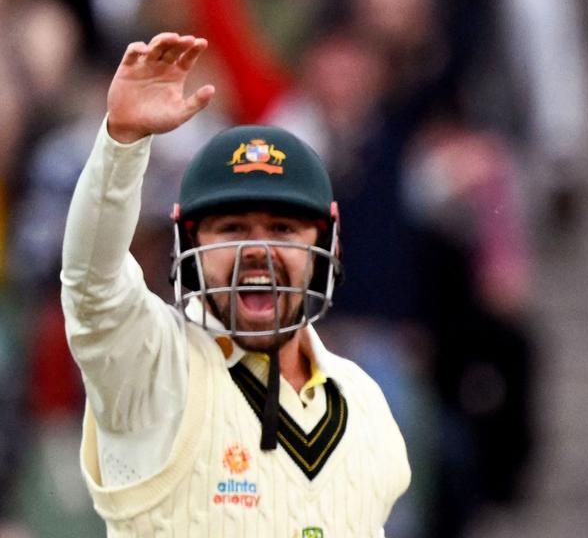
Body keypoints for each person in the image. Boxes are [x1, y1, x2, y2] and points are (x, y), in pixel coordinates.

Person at [61, 32, 410, 534]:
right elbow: (91, 286)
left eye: (283, 229)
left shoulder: (367, 406)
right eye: (232, 229)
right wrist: (123, 141)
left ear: (327, 244)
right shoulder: (151, 367)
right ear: (189, 243)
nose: (258, 251)